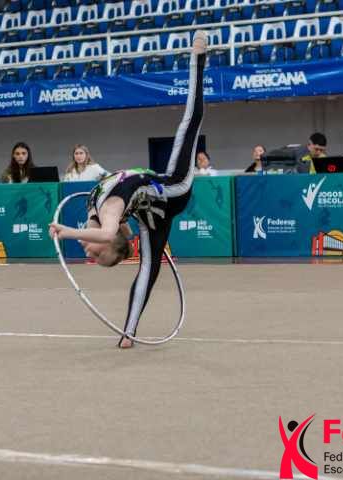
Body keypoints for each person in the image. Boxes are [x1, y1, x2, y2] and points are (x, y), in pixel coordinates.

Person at [49, 30, 209, 349]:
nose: (89, 254)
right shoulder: (110, 212)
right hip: (174, 192)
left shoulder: (95, 208)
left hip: (159, 197)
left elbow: (112, 232)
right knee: (189, 123)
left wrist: (72, 232)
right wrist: (66, 233)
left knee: (189, 123)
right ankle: (128, 331)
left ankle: (127, 333)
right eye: (98, 255)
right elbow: (110, 233)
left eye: (94, 257)